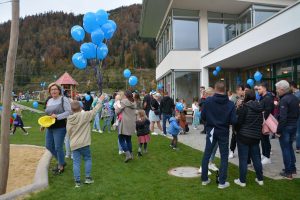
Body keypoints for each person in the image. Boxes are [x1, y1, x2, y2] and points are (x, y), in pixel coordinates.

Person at [201, 81, 237, 189]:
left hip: (213, 130)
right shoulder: (230, 104)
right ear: (225, 89)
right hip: (222, 132)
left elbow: (203, 116)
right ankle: (221, 182)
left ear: (215, 89)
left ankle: (205, 179)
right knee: (223, 156)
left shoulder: (208, 101)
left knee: (207, 154)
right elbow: (234, 121)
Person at [67, 95, 104, 188]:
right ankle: (87, 178)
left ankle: (77, 182)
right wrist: (99, 101)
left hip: (74, 144)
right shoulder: (85, 115)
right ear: (80, 107)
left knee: (76, 162)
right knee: (87, 159)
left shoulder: (69, 119)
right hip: (84, 143)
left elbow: (69, 132)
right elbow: (95, 110)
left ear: (71, 109)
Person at [234, 89, 264, 187]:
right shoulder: (259, 108)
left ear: (246, 96)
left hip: (244, 136)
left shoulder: (244, 107)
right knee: (256, 158)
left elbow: (238, 122)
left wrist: (236, 131)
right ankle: (260, 179)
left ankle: (242, 181)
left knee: (243, 159)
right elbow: (260, 122)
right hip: (255, 136)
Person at [43, 83, 71, 174]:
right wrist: (43, 124)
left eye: (55, 89)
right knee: (48, 146)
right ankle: (61, 161)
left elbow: (69, 112)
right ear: (49, 91)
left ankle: (61, 166)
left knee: (58, 147)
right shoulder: (49, 101)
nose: (53, 91)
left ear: (59, 90)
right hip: (49, 127)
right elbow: (47, 114)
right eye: (52, 90)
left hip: (60, 127)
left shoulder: (64, 99)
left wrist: (57, 116)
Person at [275, 80, 299, 179]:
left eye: (277, 89)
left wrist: (278, 131)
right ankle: (292, 168)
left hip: (286, 127)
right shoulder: (295, 98)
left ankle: (288, 172)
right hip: (294, 125)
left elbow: (283, 118)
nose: (276, 91)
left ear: (282, 89)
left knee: (286, 149)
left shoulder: (284, 99)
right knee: (289, 147)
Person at [115, 90, 137, 163]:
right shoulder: (134, 102)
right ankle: (131, 154)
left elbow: (117, 112)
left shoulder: (124, 101)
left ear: (126, 96)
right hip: (131, 123)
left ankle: (128, 154)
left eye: (124, 95)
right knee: (128, 139)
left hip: (125, 123)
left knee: (121, 139)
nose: (123, 96)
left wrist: (117, 105)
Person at [257, 82, 274, 165]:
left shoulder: (268, 98)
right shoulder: (263, 97)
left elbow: (268, 110)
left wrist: (263, 121)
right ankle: (264, 155)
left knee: (265, 139)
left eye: (259, 89)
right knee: (263, 139)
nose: (258, 91)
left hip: (265, 121)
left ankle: (267, 156)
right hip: (262, 121)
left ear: (264, 88)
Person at [229, 84, 245, 159]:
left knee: (242, 136)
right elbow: (231, 109)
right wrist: (237, 106)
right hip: (235, 119)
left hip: (243, 120)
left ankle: (242, 152)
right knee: (234, 136)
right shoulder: (233, 98)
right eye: (242, 90)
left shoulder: (245, 97)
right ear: (238, 90)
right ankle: (232, 151)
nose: (243, 92)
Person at [290, 81, 300, 153]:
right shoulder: (294, 94)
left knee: (298, 130)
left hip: (297, 114)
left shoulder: (296, 95)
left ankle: (298, 147)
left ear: (292, 86)